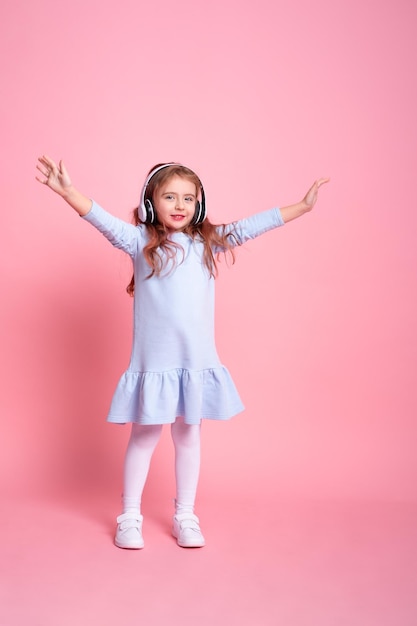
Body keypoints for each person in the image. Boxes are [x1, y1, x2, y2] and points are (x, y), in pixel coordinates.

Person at [36, 155, 329, 549]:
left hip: (195, 364)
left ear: (199, 205)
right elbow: (100, 218)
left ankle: (185, 514)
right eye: (169, 197)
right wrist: (69, 192)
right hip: (153, 365)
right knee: (143, 437)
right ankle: (129, 517)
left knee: (189, 436)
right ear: (149, 203)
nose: (179, 205)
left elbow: (250, 226)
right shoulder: (138, 241)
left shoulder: (207, 242)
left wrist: (302, 207)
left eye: (188, 199)